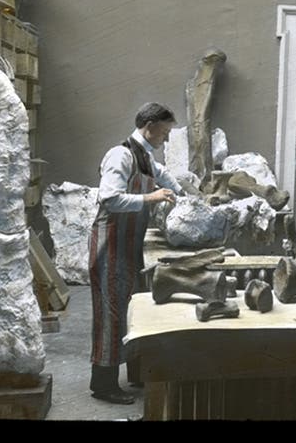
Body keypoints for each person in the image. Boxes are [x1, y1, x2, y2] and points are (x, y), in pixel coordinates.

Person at [88, 102, 183, 404]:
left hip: (130, 244)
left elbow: (163, 175)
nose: (166, 140)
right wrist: (150, 196)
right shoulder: (121, 155)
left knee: (129, 310)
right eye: (164, 134)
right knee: (110, 313)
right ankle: (103, 384)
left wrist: (185, 195)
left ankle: (135, 374)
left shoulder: (144, 157)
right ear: (151, 127)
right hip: (111, 243)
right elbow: (110, 198)